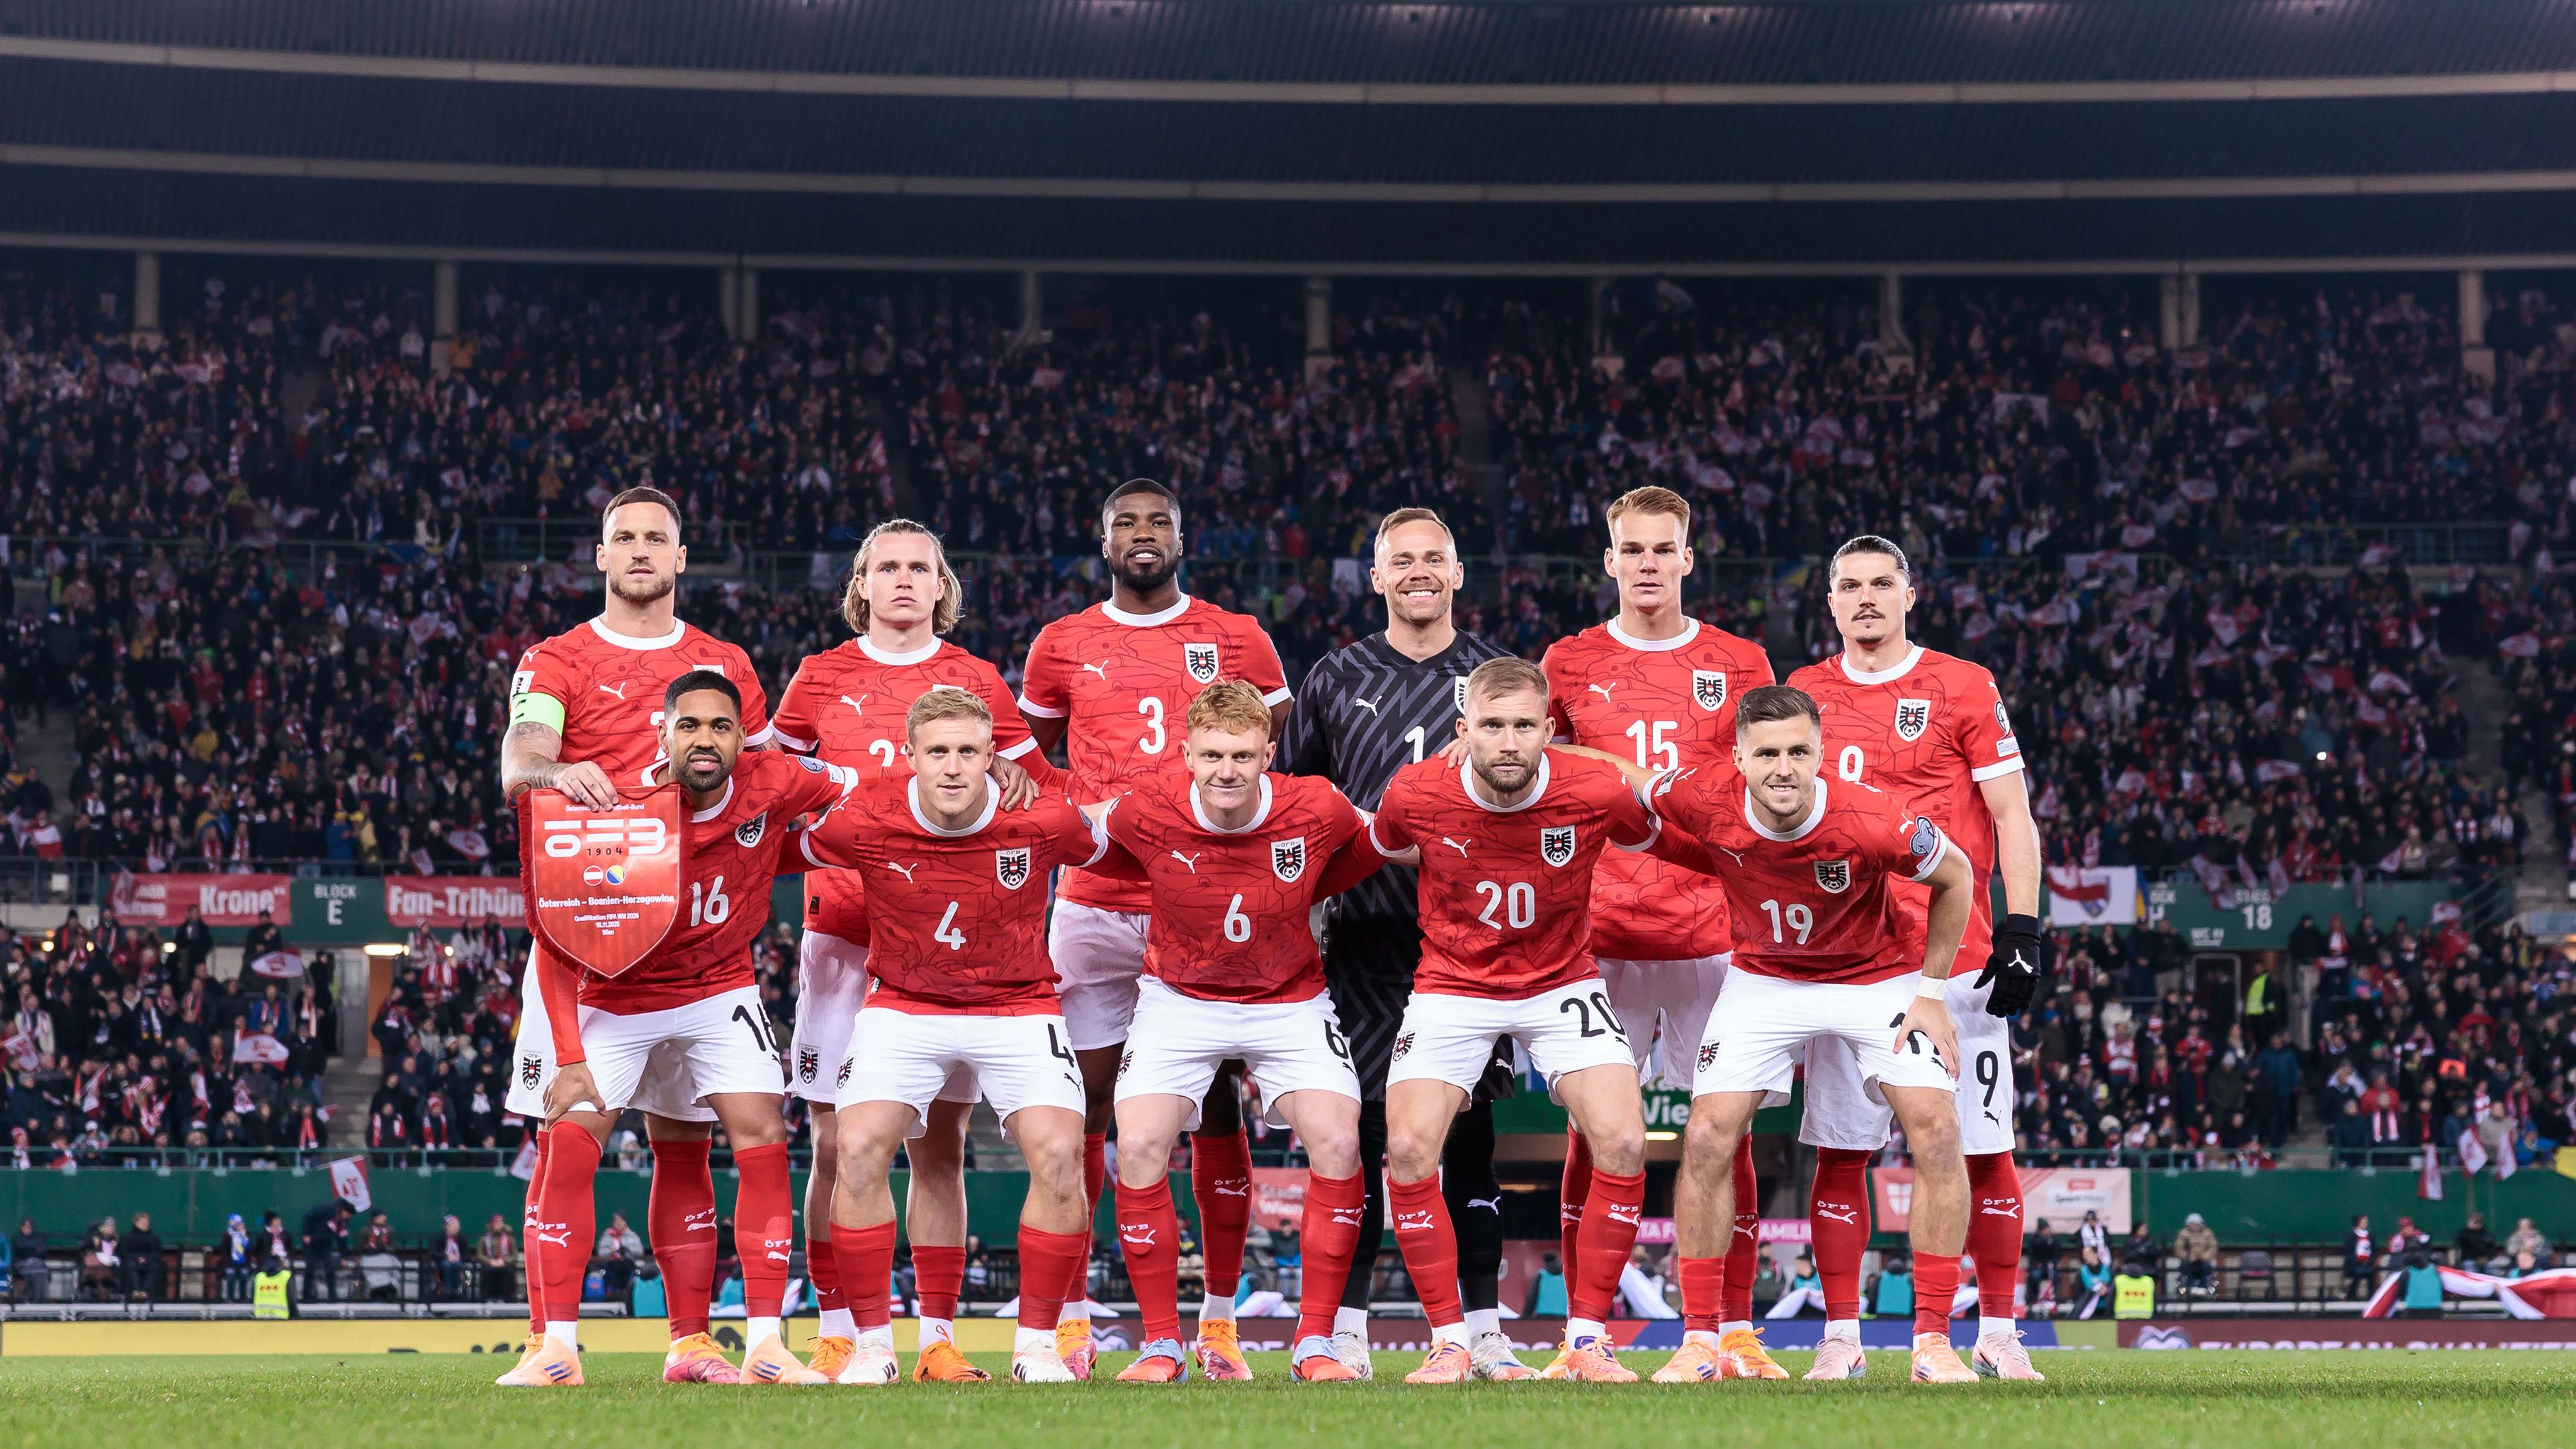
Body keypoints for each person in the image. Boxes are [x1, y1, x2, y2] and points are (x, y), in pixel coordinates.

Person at [506, 670, 859, 1389]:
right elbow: (555, 939)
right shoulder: (607, 801)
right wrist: (568, 1055)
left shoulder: (775, 780)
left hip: (717, 991)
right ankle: (556, 1347)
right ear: (661, 732)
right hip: (616, 994)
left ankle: (760, 1343)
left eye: (721, 726)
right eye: (689, 725)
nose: (705, 739)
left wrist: (799, 851)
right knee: (569, 1144)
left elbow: (860, 786)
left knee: (757, 1132)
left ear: (741, 737)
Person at [1629, 682, 1987, 1385]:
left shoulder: (1873, 816)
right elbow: (1627, 782)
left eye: (1799, 750)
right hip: (1765, 979)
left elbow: (1958, 874)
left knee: (1939, 1129)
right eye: (1767, 753)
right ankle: (1702, 1340)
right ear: (1738, 757)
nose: (1783, 767)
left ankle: (1934, 1342)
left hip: (1873, 977)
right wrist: (1541, 749)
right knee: (1705, 1135)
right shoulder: (1703, 794)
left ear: (1822, 752)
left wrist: (1932, 990)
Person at [1014, 478, 1292, 1380]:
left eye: (1158, 522)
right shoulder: (1061, 643)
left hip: (1207, 906)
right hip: (1094, 905)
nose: (1143, 534)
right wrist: (1090, 817)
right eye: (1125, 522)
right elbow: (1030, 767)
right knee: (1085, 1109)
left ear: (1182, 536)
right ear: (1102, 539)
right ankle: (1076, 1316)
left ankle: (1215, 1322)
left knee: (1213, 1107)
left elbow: (1270, 763)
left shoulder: (1239, 636)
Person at [498, 486, 775, 1386]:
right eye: (626, 538)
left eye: (659, 537)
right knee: (567, 1135)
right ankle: (553, 1346)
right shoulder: (558, 658)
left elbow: (759, 775)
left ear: (683, 556)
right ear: (602, 556)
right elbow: (517, 764)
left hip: (697, 945)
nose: (643, 550)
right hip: (590, 937)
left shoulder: (722, 658)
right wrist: (559, 766)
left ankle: (692, 1342)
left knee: (686, 1146)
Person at [768, 519, 1043, 1385]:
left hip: (951, 944)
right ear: (861, 581)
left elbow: (1036, 788)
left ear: (940, 584)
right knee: (834, 1137)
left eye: (918, 567)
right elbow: (775, 787)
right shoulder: (818, 677)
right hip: (845, 932)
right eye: (886, 565)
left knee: (940, 1146)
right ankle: (840, 1323)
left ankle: (936, 1335)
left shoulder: (977, 681)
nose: (902, 579)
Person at [1785, 535, 2047, 1383]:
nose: (1866, 598)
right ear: (1830, 603)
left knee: (1983, 1147)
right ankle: (1842, 1336)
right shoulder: (1803, 693)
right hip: (1845, 957)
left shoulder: (1963, 684)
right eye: (1850, 585)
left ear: (1910, 595)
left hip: (1955, 960)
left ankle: (1995, 1331)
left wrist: (2023, 928)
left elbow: (2011, 813)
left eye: (1881, 584)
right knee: (1841, 1151)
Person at [1366, 658, 1673, 1384]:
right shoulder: (1415, 790)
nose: (1508, 741)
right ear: (1463, 729)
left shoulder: (1592, 787)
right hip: (1453, 980)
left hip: (1561, 979)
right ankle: (1449, 1342)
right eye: (1493, 725)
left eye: (1524, 726)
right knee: (1407, 1147)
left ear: (1549, 733)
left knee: (1627, 1138)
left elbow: (1656, 827)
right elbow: (1371, 848)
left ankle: (1587, 1341)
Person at [1276, 505, 1529, 1381]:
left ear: (1459, 574)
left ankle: (1482, 1332)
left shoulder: (1495, 677)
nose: (1419, 571)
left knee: (1468, 1141)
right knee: (1365, 1135)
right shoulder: (1334, 677)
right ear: (1376, 578)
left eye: (1435, 558)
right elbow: (1292, 811)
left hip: (1470, 946)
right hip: (1361, 947)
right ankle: (1344, 1330)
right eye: (1401, 560)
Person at [1539, 485, 1784, 1384]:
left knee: (1729, 1135)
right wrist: (1624, 776)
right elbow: (1541, 768)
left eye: (1663, 548)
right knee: (1594, 1137)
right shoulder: (1567, 660)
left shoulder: (1741, 658)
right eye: (1631, 549)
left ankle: (1736, 1332)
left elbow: (1769, 781)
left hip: (1714, 930)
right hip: (1597, 932)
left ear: (1689, 558)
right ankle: (1582, 1333)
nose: (1647, 563)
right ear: (1609, 561)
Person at [798, 685, 1101, 1385]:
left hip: (1017, 1005)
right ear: (911, 757)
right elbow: (777, 846)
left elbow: (1120, 844)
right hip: (904, 1003)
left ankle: (1035, 1347)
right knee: (858, 1147)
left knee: (1060, 1154)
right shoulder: (868, 813)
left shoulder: (1042, 816)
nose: (954, 765)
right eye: (938, 751)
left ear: (993, 755)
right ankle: (874, 1345)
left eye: (969, 750)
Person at [1090, 680, 1386, 1385]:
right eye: (1215, 754)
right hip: (1179, 998)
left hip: (1288, 999)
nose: (1228, 769)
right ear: (1186, 753)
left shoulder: (1315, 803)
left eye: (1244, 755)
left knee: (1341, 1139)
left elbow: (1387, 835)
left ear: (1269, 754)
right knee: (1136, 1144)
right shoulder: (1145, 809)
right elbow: (1070, 835)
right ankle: (1162, 1343)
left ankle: (1315, 1342)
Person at [300, 1199, 350, 1303]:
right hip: (311, 1243)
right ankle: (307, 1296)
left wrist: (344, 1257)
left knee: (330, 1269)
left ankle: (332, 1296)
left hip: (326, 1245)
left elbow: (342, 1239)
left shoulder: (343, 1222)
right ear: (344, 1211)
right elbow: (308, 1216)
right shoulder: (326, 1208)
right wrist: (306, 1233)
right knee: (310, 1268)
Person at [595, 1212, 645, 1297]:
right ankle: (614, 1292)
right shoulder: (607, 1236)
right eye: (616, 1221)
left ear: (625, 1222)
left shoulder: (632, 1236)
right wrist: (610, 1251)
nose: (618, 1224)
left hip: (628, 1263)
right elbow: (601, 1254)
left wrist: (626, 1247)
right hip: (612, 1263)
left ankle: (628, 1291)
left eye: (621, 1221)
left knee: (627, 1266)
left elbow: (640, 1252)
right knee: (613, 1268)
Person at [120, 1210, 164, 1302]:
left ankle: (145, 1292)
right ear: (136, 1223)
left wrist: (147, 1259)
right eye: (143, 1222)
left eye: (147, 1222)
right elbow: (125, 1252)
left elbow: (157, 1253)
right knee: (130, 1266)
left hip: (149, 1262)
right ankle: (136, 1291)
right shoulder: (127, 1237)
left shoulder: (154, 1238)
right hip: (132, 1261)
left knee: (155, 1266)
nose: (145, 1224)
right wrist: (137, 1259)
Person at [1767, 1253, 1828, 1319]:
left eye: (1798, 1265)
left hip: (1820, 1314)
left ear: (1806, 1264)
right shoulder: (1796, 1281)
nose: (1796, 1268)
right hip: (1803, 1314)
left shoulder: (1819, 1277)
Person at [2173, 1213, 2220, 1296]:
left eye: (2197, 1224)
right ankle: (2191, 1287)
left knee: (2206, 1267)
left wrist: (2205, 1256)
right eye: (2193, 1224)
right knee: (2186, 1267)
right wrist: (2188, 1256)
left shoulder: (2207, 1233)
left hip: (2204, 1259)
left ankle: (2203, 1288)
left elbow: (2213, 1247)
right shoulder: (2183, 1234)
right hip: (2189, 1260)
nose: (2195, 1226)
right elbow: (2179, 1248)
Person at [479, 1213, 519, 1302]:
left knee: (507, 1272)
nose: (499, 1225)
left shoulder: (510, 1238)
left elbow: (515, 1255)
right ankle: (489, 1297)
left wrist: (504, 1261)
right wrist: (490, 1261)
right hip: (490, 1263)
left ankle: (506, 1297)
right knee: (488, 1272)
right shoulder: (485, 1239)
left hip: (504, 1263)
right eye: (497, 1223)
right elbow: (480, 1255)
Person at [218, 1213, 255, 1302]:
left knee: (244, 1276)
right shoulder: (227, 1235)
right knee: (231, 1276)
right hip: (231, 1263)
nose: (241, 1226)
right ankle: (230, 1298)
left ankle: (243, 1298)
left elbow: (249, 1248)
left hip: (244, 1263)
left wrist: (245, 1237)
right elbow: (225, 1252)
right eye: (239, 1224)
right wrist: (228, 1263)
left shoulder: (247, 1234)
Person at [1523, 1251, 1569, 1317]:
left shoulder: (1541, 1275)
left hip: (1543, 1317)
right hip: (1562, 1317)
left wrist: (1526, 1317)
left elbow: (1531, 1297)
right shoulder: (1566, 1276)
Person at [9, 1219, 45, 1303]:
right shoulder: (17, 1237)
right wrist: (34, 1248)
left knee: (42, 1271)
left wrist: (31, 1249)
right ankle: (26, 1298)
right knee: (27, 1272)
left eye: (29, 1227)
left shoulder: (38, 1237)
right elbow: (20, 1248)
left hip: (36, 1264)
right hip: (21, 1265)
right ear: (22, 1228)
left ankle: (39, 1299)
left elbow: (43, 1250)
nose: (27, 1229)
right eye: (26, 1227)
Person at [2342, 1214, 2376, 1299]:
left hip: (2368, 1263)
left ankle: (2371, 1296)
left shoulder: (2369, 1234)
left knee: (2371, 1275)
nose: (2365, 1223)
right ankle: (2352, 1296)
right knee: (2357, 1274)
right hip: (2355, 1264)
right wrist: (2357, 1260)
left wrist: (2370, 1260)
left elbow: (2373, 1248)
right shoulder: (2352, 1234)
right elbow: (2348, 1250)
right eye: (2363, 1222)